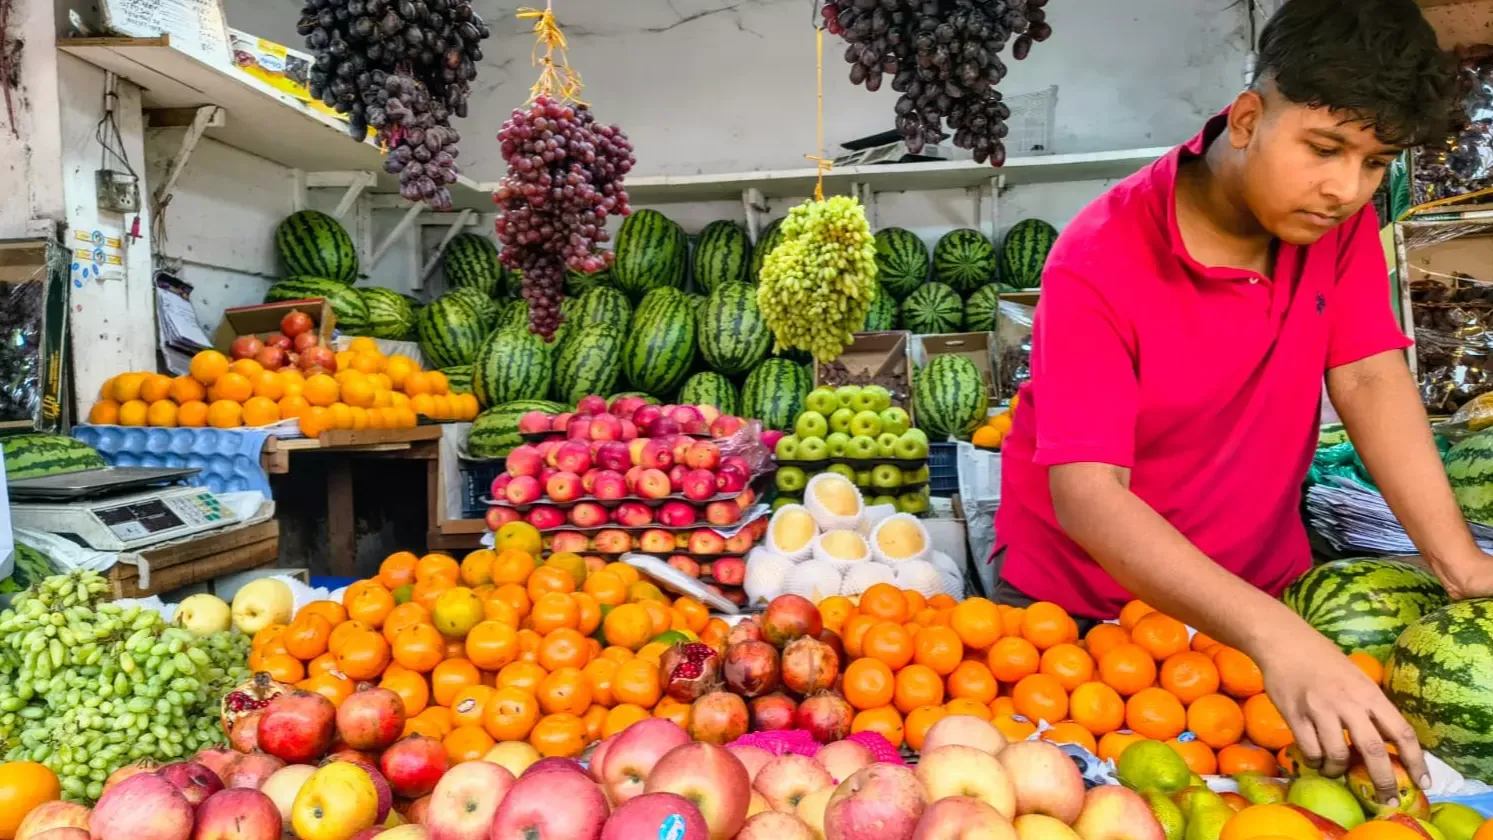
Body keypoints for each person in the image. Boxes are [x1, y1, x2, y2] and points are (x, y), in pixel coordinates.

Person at [994, 0, 1477, 803]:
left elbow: (1365, 374)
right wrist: (1276, 637)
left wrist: (1457, 563)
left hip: (1262, 595)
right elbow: (1086, 496)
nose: (1344, 189)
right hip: (1087, 622)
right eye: (1324, 149)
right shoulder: (1098, 260)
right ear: (1247, 118)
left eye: (1373, 162)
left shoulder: (1333, 225)